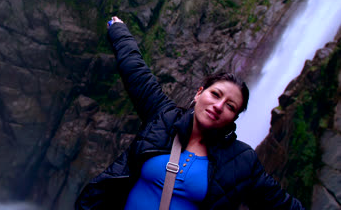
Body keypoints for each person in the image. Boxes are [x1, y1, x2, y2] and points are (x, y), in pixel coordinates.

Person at [75, 17, 304, 209]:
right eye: (216, 95)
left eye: (230, 106)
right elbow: (136, 72)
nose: (218, 106)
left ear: (233, 118)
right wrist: (118, 30)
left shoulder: (242, 161)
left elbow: (281, 204)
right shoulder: (163, 117)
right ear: (199, 94)